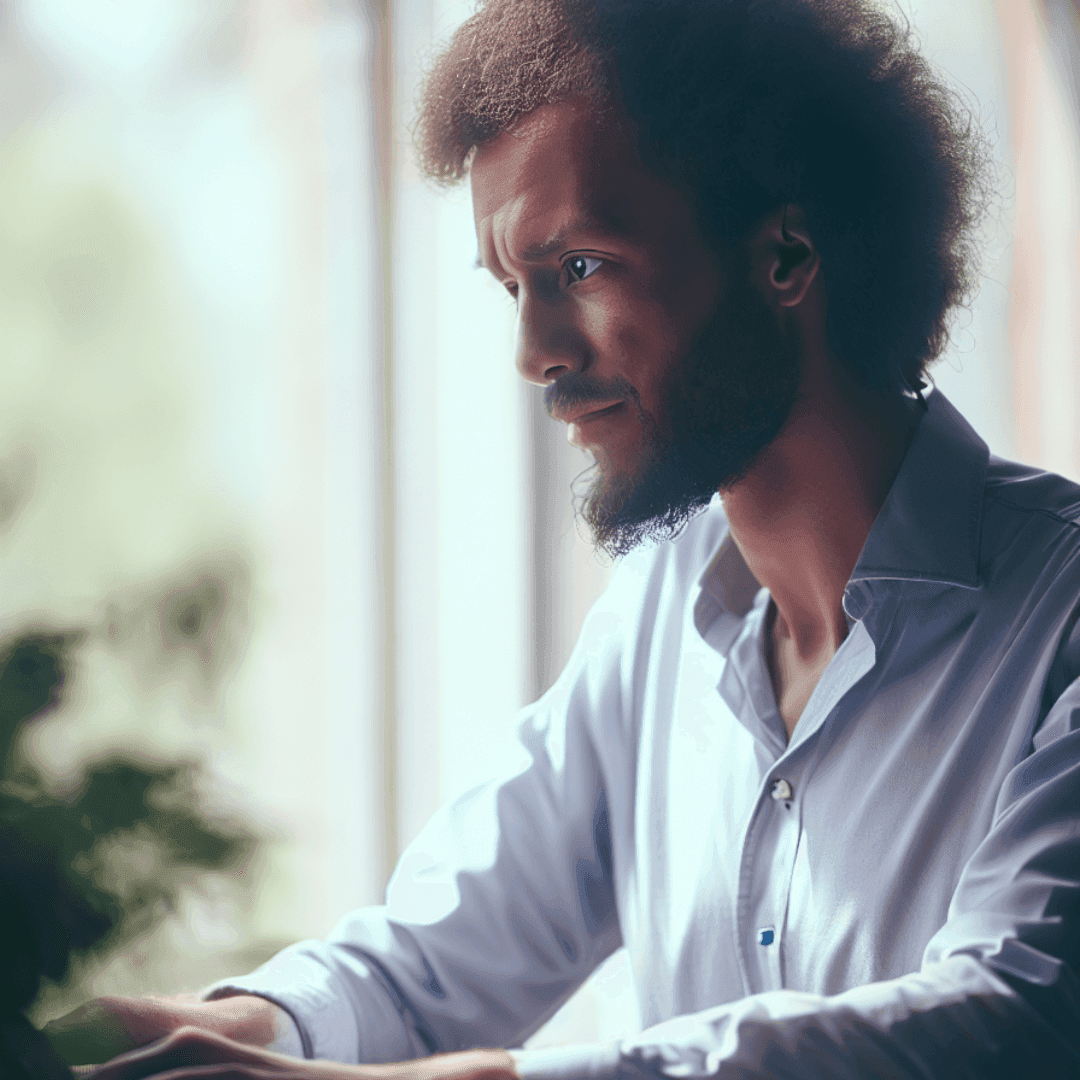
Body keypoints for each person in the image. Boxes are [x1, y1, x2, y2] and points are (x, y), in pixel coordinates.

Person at [56, 0, 1080, 1076]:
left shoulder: (1058, 622)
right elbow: (425, 970)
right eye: (514, 289)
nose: (534, 353)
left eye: (580, 269)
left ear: (785, 253)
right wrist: (214, 1033)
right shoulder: (660, 620)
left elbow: (1008, 1021)